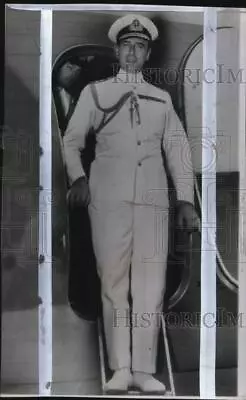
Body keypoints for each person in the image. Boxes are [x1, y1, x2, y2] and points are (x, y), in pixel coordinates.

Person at [63, 13, 200, 394]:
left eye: (140, 47)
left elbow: (178, 151)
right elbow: (71, 142)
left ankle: (143, 370)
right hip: (107, 201)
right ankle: (120, 369)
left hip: (153, 205)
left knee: (151, 287)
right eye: (127, 45)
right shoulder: (96, 93)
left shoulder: (162, 99)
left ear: (148, 53)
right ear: (116, 49)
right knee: (114, 283)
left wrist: (185, 199)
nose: (132, 53)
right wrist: (78, 177)